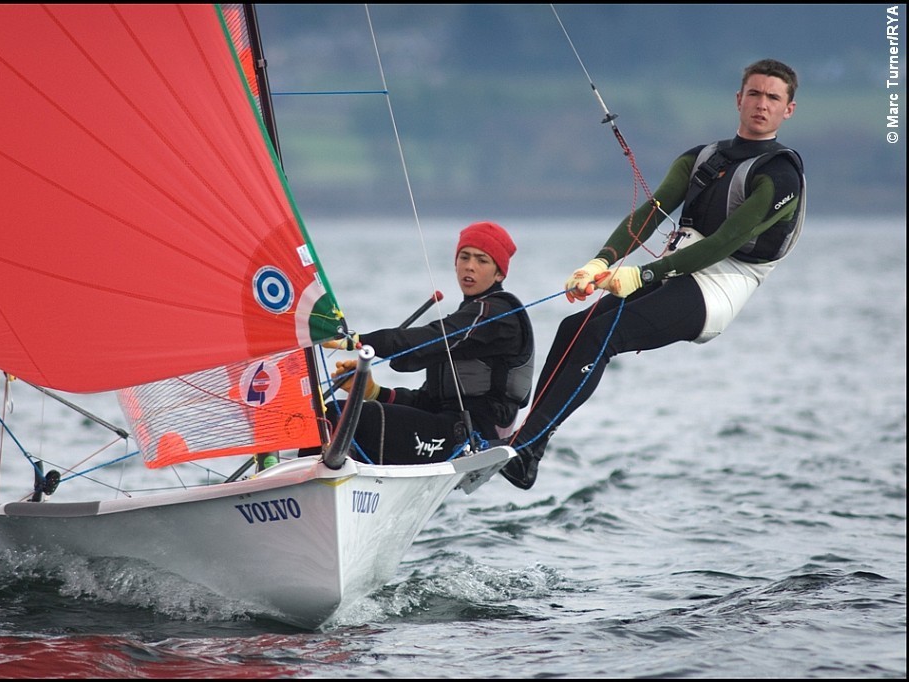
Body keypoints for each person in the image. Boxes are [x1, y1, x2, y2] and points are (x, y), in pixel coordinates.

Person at [501, 58, 807, 490]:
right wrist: (601, 262)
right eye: (754, 94)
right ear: (738, 99)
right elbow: (651, 213)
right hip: (677, 267)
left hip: (720, 287)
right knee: (576, 326)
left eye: (773, 98)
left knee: (599, 337)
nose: (761, 104)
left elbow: (723, 243)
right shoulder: (702, 157)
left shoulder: (781, 175)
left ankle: (527, 446)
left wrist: (642, 275)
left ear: (787, 110)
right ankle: (527, 443)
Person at [323, 221, 535, 464]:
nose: (470, 266)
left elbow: (429, 339)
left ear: (499, 273)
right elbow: (427, 402)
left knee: (349, 417)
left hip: (474, 437)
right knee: (333, 413)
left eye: (482, 260)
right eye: (464, 257)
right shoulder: (468, 317)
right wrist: (374, 391)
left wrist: (356, 341)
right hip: (446, 427)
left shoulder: (499, 315)